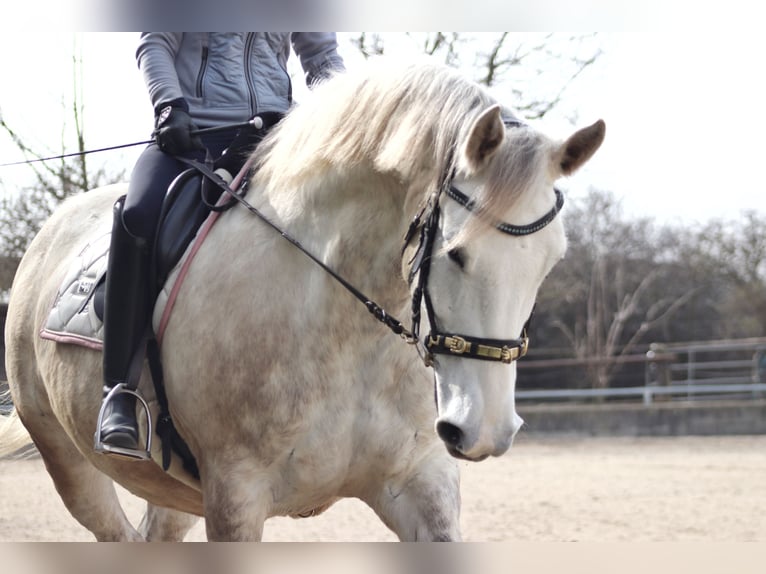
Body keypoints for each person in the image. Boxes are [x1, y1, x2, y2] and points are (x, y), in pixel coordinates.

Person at [95, 33, 345, 459]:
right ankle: (118, 391)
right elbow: (156, 41)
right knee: (138, 214)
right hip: (194, 132)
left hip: (279, 135)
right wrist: (169, 105)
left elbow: (321, 55)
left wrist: (342, 116)